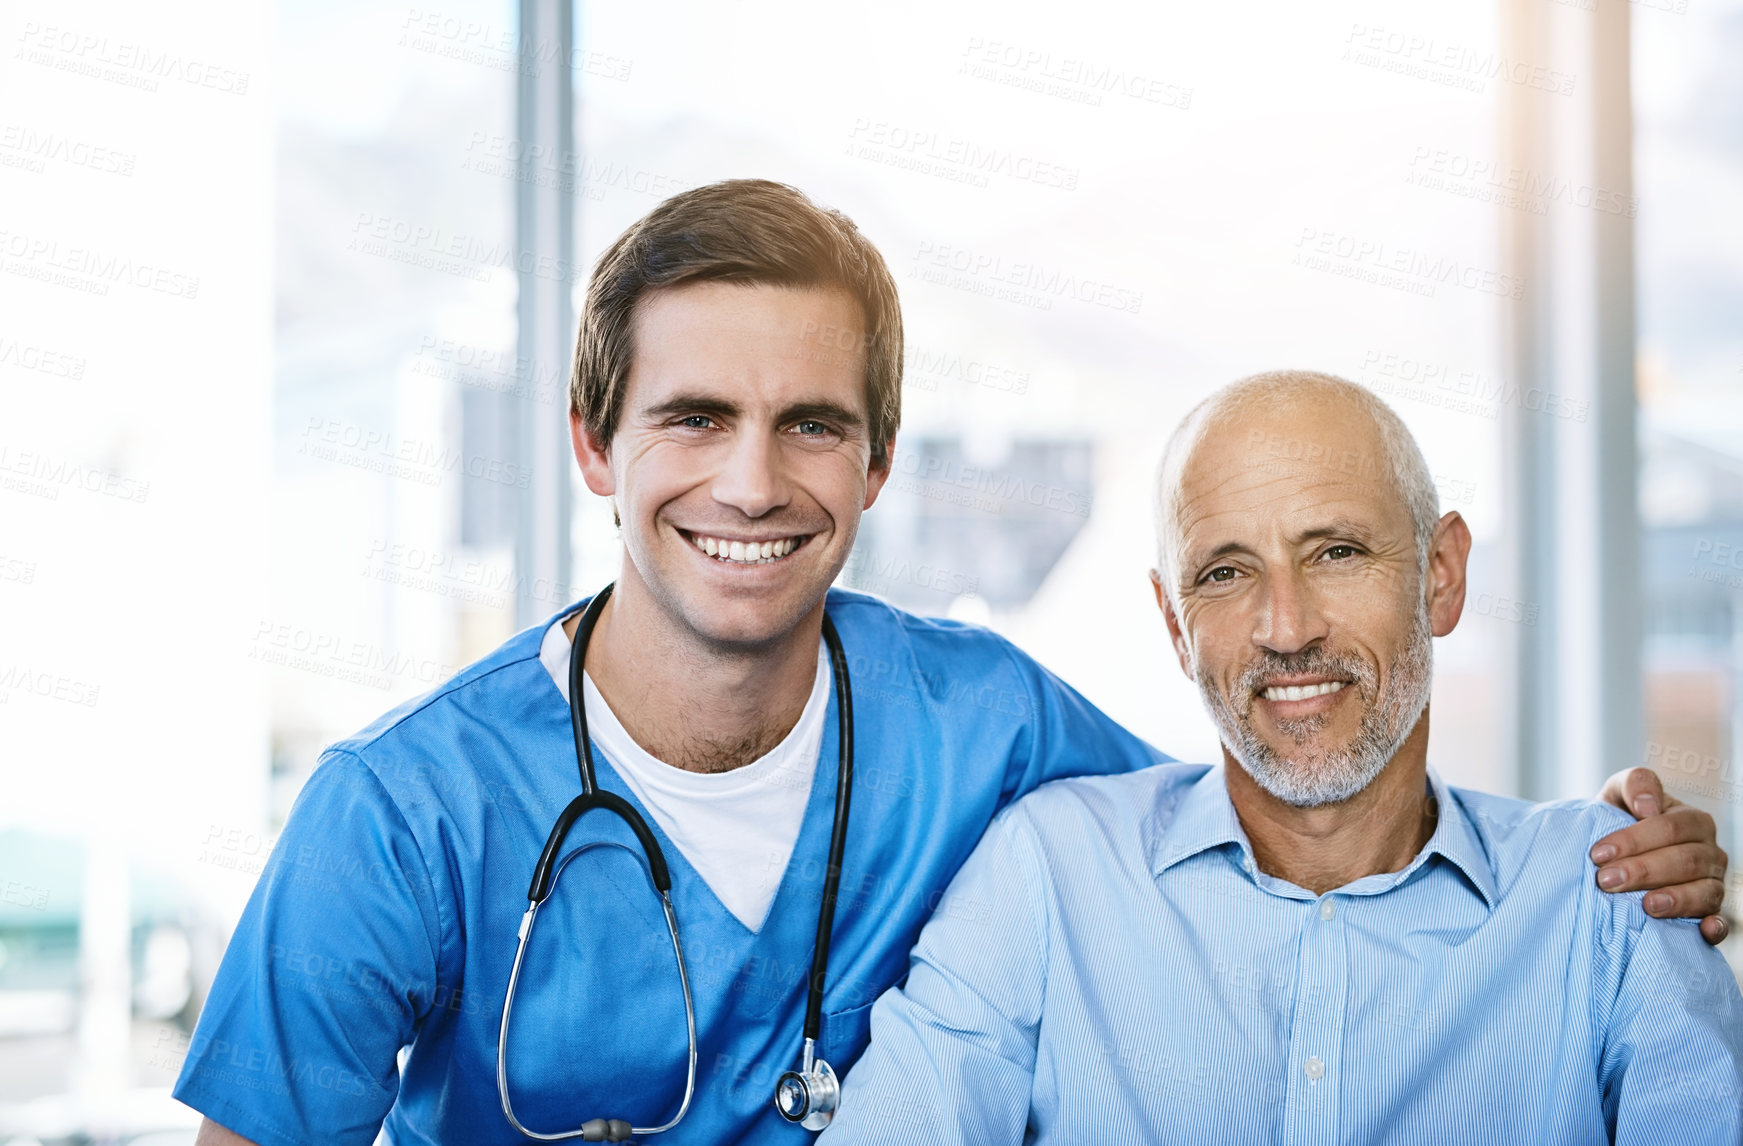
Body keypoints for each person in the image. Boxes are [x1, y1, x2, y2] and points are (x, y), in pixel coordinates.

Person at [175, 186, 1727, 1146]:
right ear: (594, 444)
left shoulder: (984, 730)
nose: (751, 483)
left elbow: (1296, 764)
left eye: (812, 425)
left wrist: (1603, 854)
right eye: (693, 416)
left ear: (879, 461)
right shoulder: (398, 809)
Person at [821, 371, 1743, 1145]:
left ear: (1441, 576)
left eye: (1336, 552)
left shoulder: (1610, 900)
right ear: (1175, 625)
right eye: (1225, 572)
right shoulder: (1048, 874)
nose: (1286, 627)